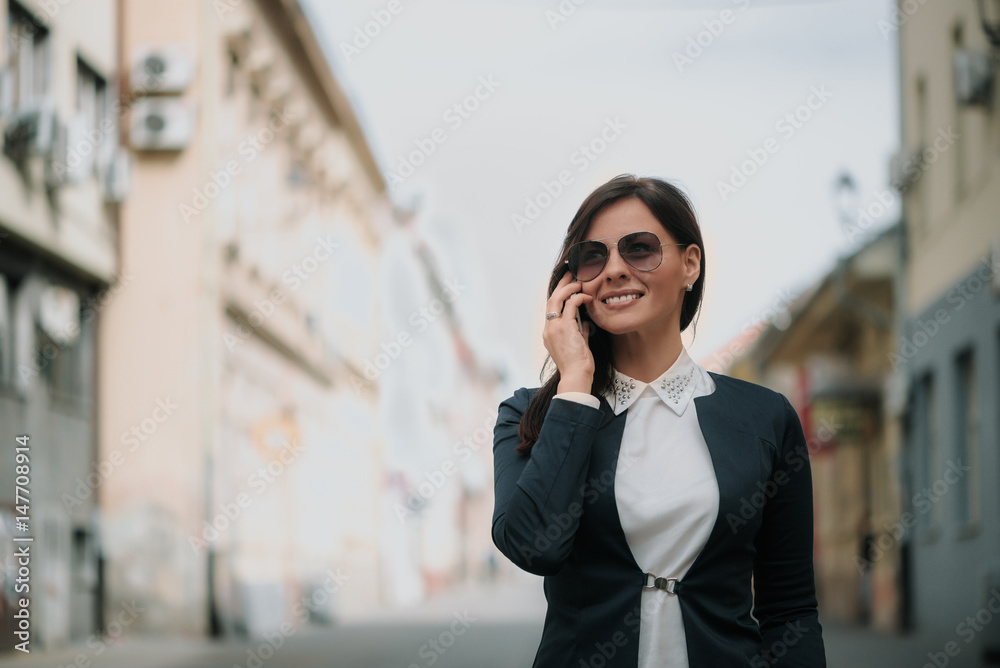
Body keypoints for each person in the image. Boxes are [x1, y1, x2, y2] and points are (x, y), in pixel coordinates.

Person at [491, 174, 826, 667]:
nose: (614, 270)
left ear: (690, 264)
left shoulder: (765, 418)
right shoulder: (530, 415)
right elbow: (534, 548)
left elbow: (790, 611)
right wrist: (576, 384)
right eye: (593, 256)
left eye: (640, 249)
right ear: (572, 283)